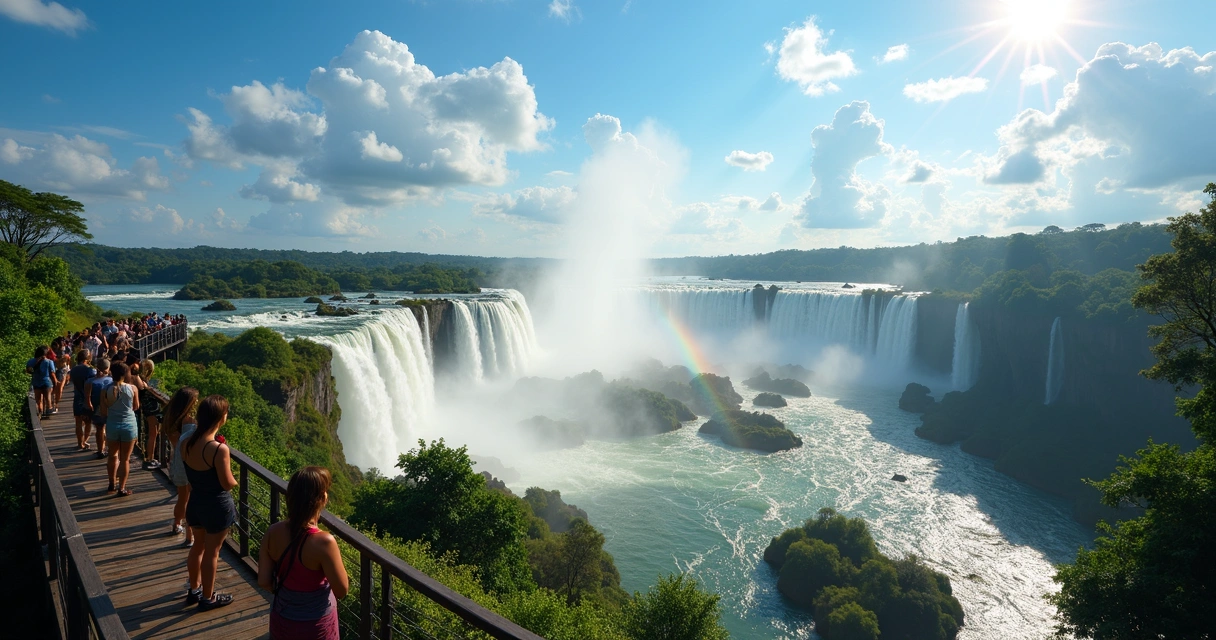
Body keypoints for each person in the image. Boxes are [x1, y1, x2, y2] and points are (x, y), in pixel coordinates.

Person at [259, 467, 348, 639]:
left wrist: (290, 599)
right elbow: (342, 590)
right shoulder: (324, 542)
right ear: (323, 498)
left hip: (282, 618)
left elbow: (263, 581)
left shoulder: (273, 532)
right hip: (315, 625)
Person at [184, 395, 237, 610]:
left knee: (198, 546)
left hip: (195, 502)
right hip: (215, 506)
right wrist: (234, 479)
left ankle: (194, 590)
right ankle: (208, 598)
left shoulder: (186, 441)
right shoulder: (218, 449)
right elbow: (227, 483)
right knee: (212, 552)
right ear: (221, 418)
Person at [163, 387, 199, 546]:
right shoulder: (190, 421)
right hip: (189, 463)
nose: (197, 401)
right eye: (195, 399)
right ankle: (190, 535)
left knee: (182, 498)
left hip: (177, 462)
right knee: (192, 500)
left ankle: (177, 524)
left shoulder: (171, 420)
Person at [99, 362, 140, 496]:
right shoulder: (133, 388)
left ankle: (112, 484)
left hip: (112, 425)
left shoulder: (105, 389)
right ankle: (122, 488)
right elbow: (136, 407)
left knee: (112, 455)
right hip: (129, 425)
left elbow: (104, 412)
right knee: (125, 459)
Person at [133, 359, 163, 469]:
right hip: (151, 409)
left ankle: (150, 457)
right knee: (152, 434)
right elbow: (144, 389)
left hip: (147, 409)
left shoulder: (138, 379)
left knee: (152, 434)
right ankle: (150, 458)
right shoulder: (141, 381)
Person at [84, 359, 113, 458]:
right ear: (107, 369)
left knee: (99, 429)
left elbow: (87, 397)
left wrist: (89, 408)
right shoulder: (111, 380)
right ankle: (110, 449)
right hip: (110, 407)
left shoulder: (90, 381)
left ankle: (100, 450)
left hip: (96, 408)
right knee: (109, 428)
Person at [68, 351, 96, 450]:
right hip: (87, 397)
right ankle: (85, 441)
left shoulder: (73, 370)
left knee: (78, 422)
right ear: (86, 359)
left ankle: (80, 443)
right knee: (88, 422)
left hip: (77, 397)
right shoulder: (90, 370)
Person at [28, 346, 58, 418]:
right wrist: (55, 381)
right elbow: (52, 373)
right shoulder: (49, 361)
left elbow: (28, 370)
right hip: (46, 382)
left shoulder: (31, 361)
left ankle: (40, 412)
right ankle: (48, 412)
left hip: (36, 381)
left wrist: (34, 374)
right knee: (48, 398)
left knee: (38, 400)